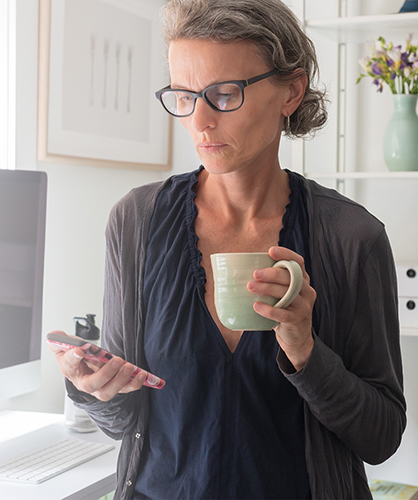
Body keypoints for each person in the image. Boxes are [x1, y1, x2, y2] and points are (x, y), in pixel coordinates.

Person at [49, 1, 406, 499]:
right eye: (183, 95)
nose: (199, 121)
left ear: (291, 90)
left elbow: (382, 435)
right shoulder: (135, 221)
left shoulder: (351, 236)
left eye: (223, 94)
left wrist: (305, 350)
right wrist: (93, 387)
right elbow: (126, 421)